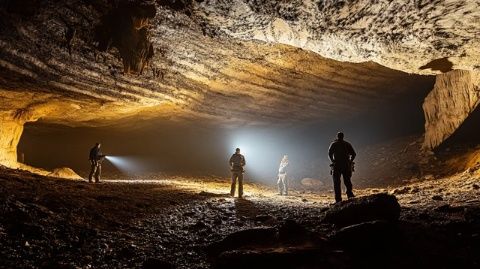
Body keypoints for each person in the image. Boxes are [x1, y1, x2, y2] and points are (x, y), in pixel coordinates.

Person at [328, 132, 356, 203]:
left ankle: (338, 200)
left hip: (337, 165)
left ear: (337, 136)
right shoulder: (347, 144)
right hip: (346, 165)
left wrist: (333, 161)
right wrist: (350, 161)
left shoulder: (334, 144)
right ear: (343, 136)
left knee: (336, 182)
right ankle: (350, 196)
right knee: (347, 181)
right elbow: (354, 154)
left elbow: (329, 153)